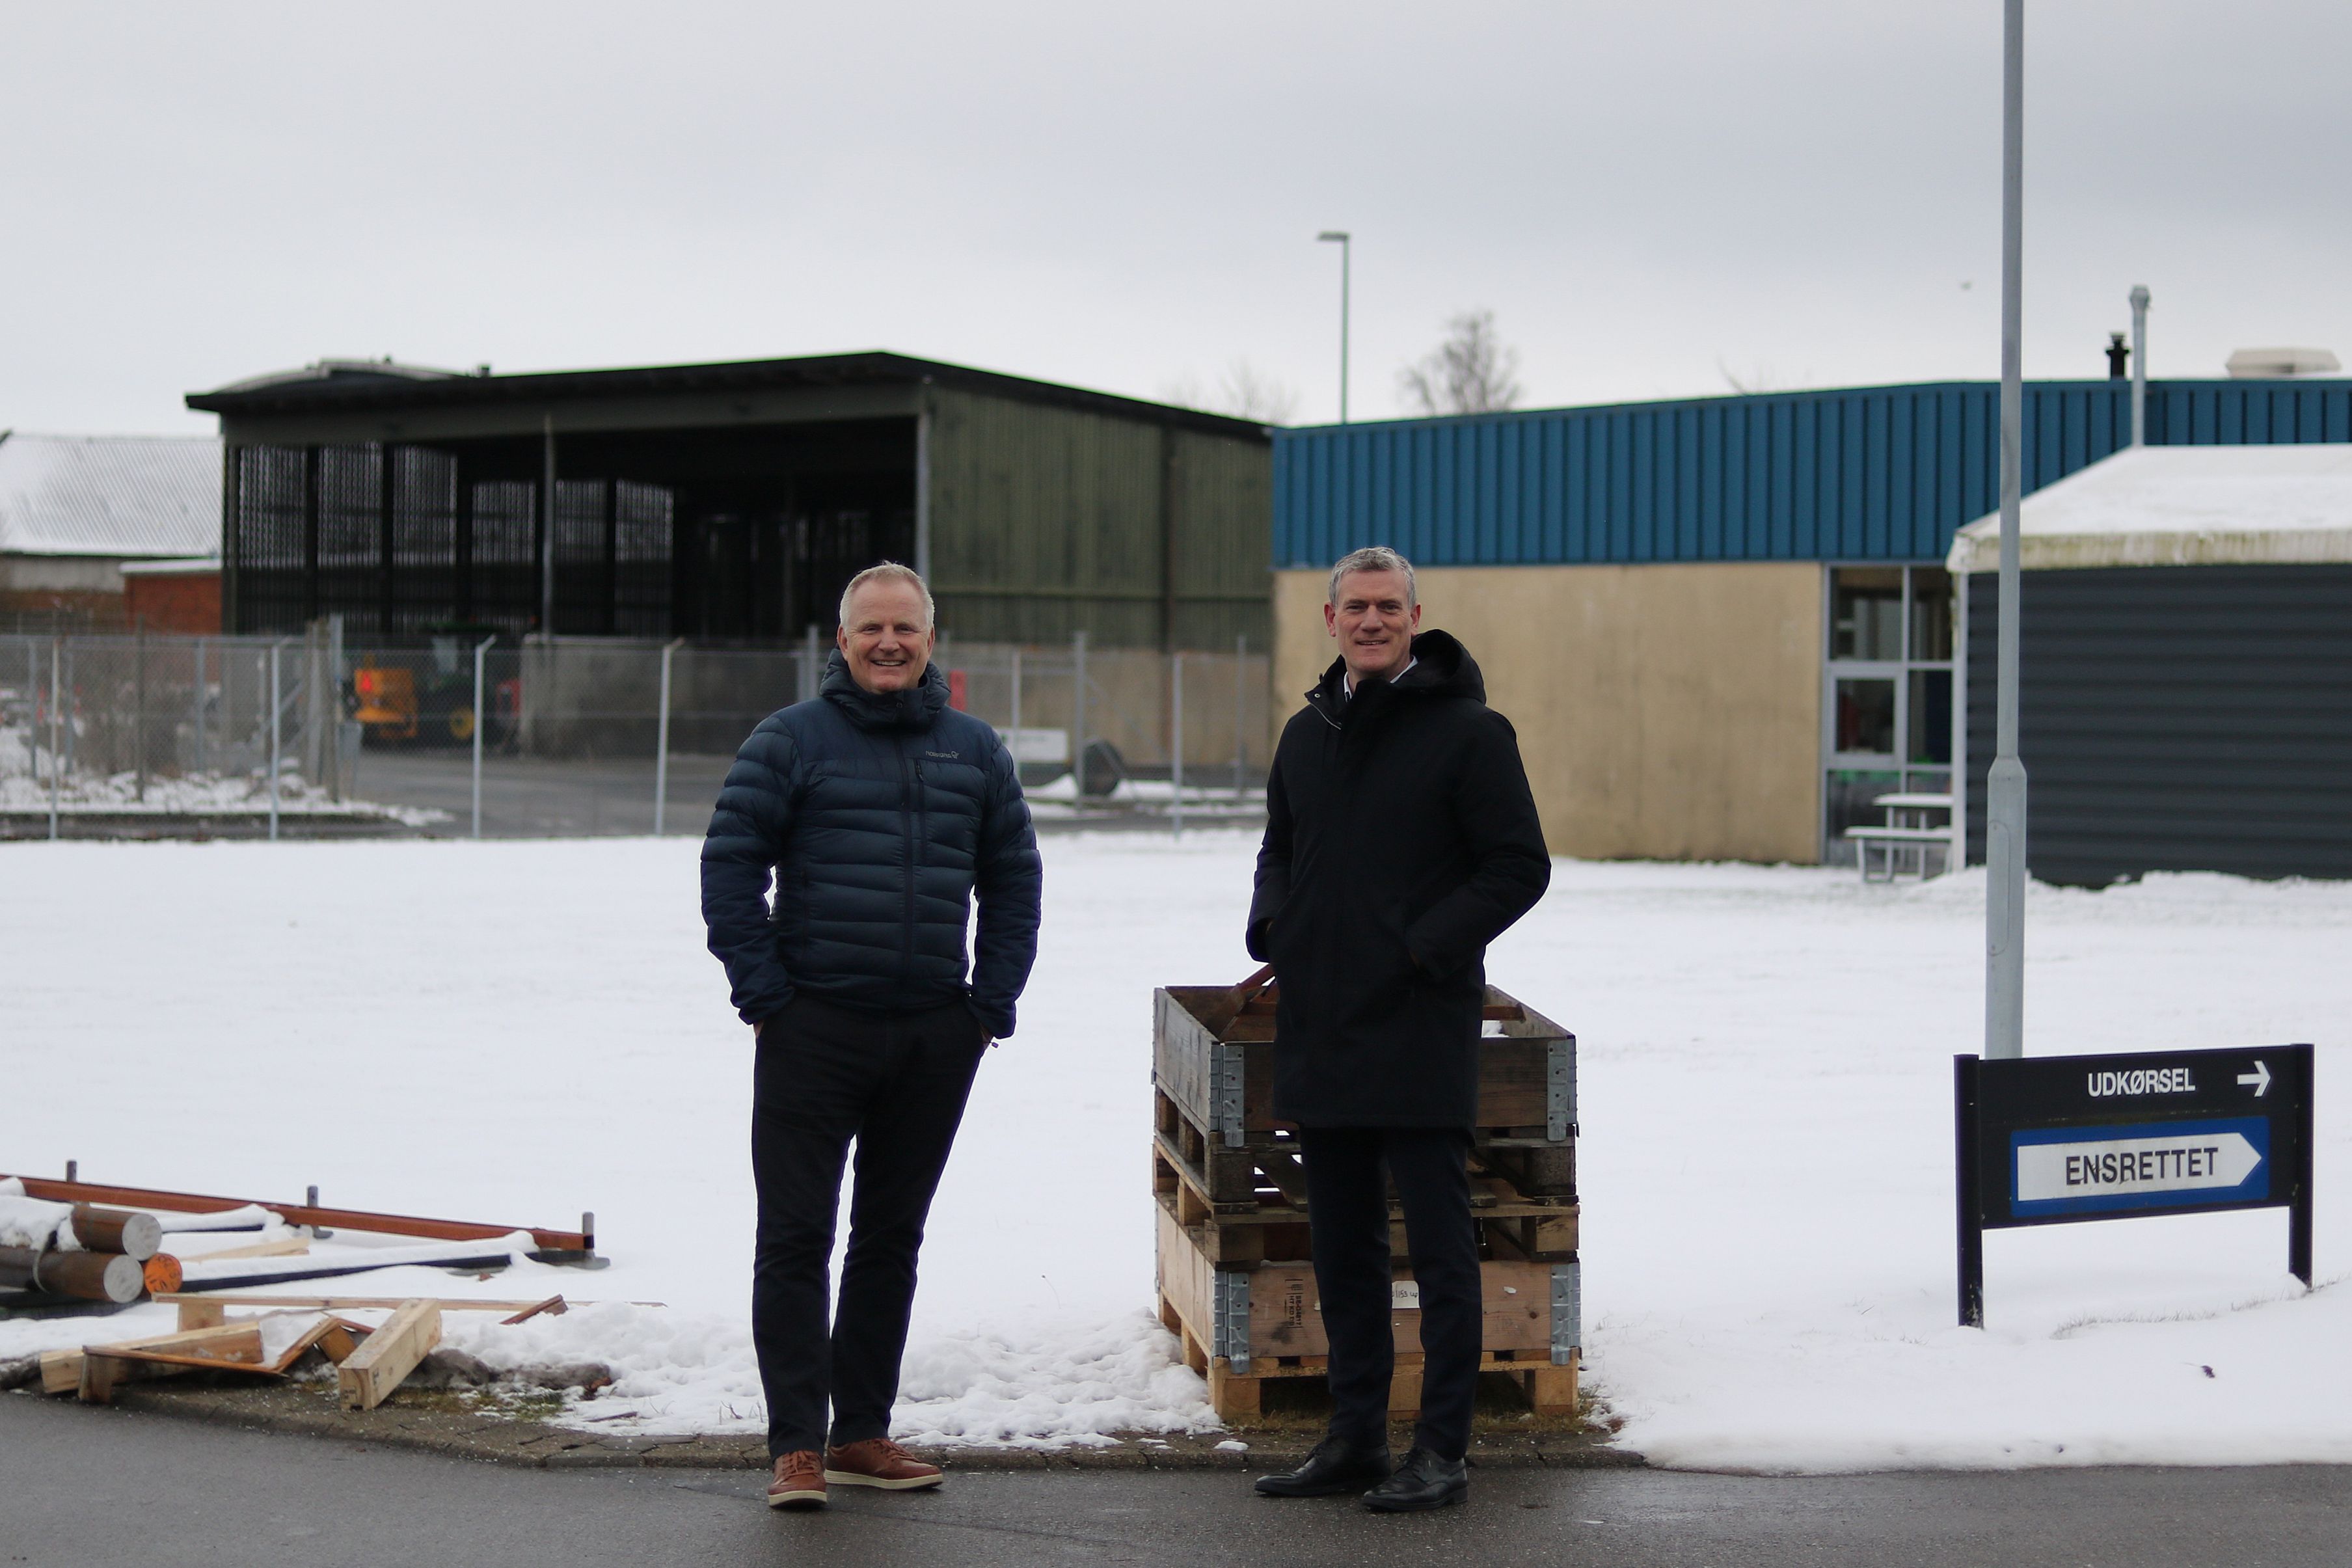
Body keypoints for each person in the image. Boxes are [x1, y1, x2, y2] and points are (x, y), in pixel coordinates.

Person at [701, 561, 1042, 1512]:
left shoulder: (975, 749)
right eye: (871, 628)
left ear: (931, 639)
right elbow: (731, 867)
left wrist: (988, 1004)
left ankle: (859, 1431)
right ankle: (795, 1445)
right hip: (814, 1028)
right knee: (795, 1236)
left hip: (934, 1034)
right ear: (842, 640)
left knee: (890, 1237)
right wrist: (766, 995)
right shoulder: (790, 740)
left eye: (906, 628)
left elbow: (1014, 877)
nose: (889, 643)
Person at [1245, 546, 1550, 1513]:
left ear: (1415, 617)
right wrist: (1275, 927)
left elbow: (1518, 866)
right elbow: (1281, 844)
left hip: (1419, 1022)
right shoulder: (1308, 734)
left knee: (1442, 1251)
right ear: (1330, 619)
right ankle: (1355, 1439)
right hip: (1324, 1022)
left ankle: (1442, 1449)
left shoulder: (1471, 733)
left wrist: (1422, 949)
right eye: (1356, 607)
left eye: (1388, 606)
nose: (1371, 621)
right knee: (1343, 1249)